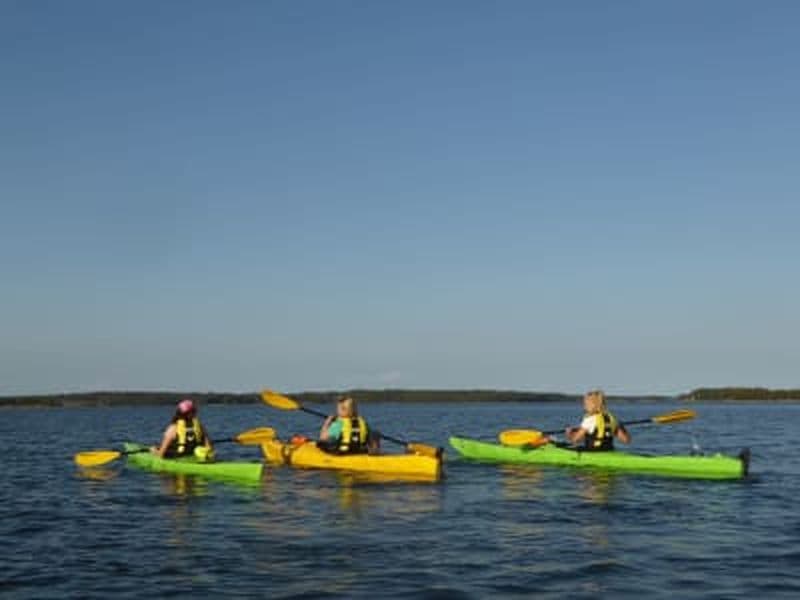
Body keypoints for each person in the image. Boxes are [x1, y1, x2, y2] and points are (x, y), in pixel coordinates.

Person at [564, 389, 631, 451]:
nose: (584, 407)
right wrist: (621, 426)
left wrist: (569, 433)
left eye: (586, 404)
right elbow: (626, 440)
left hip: (593, 452)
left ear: (593, 405)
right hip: (609, 451)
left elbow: (575, 440)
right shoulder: (612, 418)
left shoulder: (589, 419)